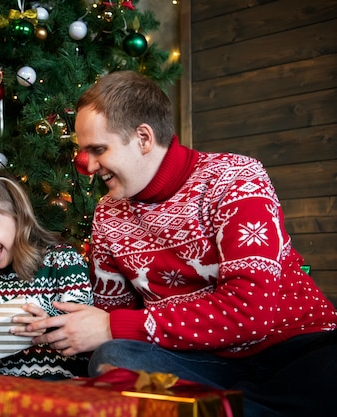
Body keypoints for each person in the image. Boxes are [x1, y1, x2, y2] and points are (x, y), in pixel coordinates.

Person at [20, 71, 337, 416]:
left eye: (98, 149)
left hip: (294, 346)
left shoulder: (235, 177)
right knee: (114, 357)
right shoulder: (108, 215)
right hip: (200, 361)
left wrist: (114, 326)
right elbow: (110, 316)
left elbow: (251, 311)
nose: (89, 166)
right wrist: (51, 323)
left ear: (143, 137)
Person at [0, 173, 94, 379]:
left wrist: (48, 323)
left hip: (59, 381)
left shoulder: (63, 260)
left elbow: (83, 324)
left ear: (18, 217)